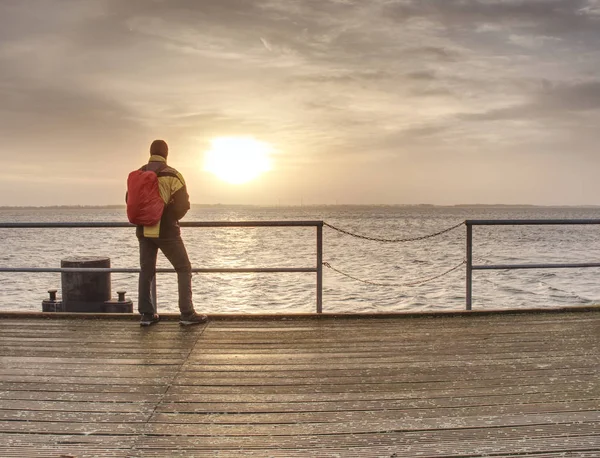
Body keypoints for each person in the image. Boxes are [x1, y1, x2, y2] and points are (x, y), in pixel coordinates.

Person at [128, 139, 207, 326]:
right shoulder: (173, 175)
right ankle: (187, 313)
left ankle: (146, 315)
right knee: (183, 267)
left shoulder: (139, 174)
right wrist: (169, 218)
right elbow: (183, 205)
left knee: (146, 271)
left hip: (143, 229)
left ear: (150, 153)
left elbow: (129, 199)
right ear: (166, 153)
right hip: (166, 231)